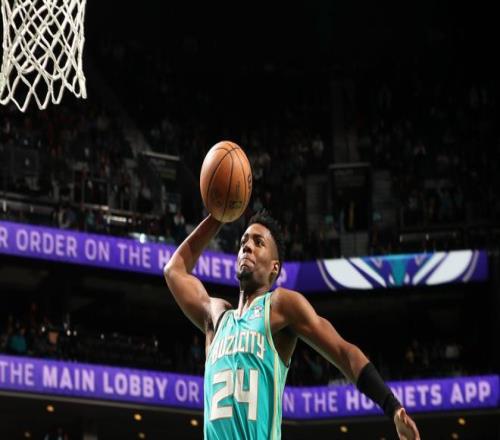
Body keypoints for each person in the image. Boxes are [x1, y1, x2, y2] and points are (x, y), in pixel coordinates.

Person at [164, 210, 420, 440]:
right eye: (243, 242)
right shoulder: (217, 317)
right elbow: (174, 270)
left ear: (274, 268)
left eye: (258, 242)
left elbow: (344, 352)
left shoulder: (279, 306)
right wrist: (219, 216)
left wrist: (392, 406)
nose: (247, 247)